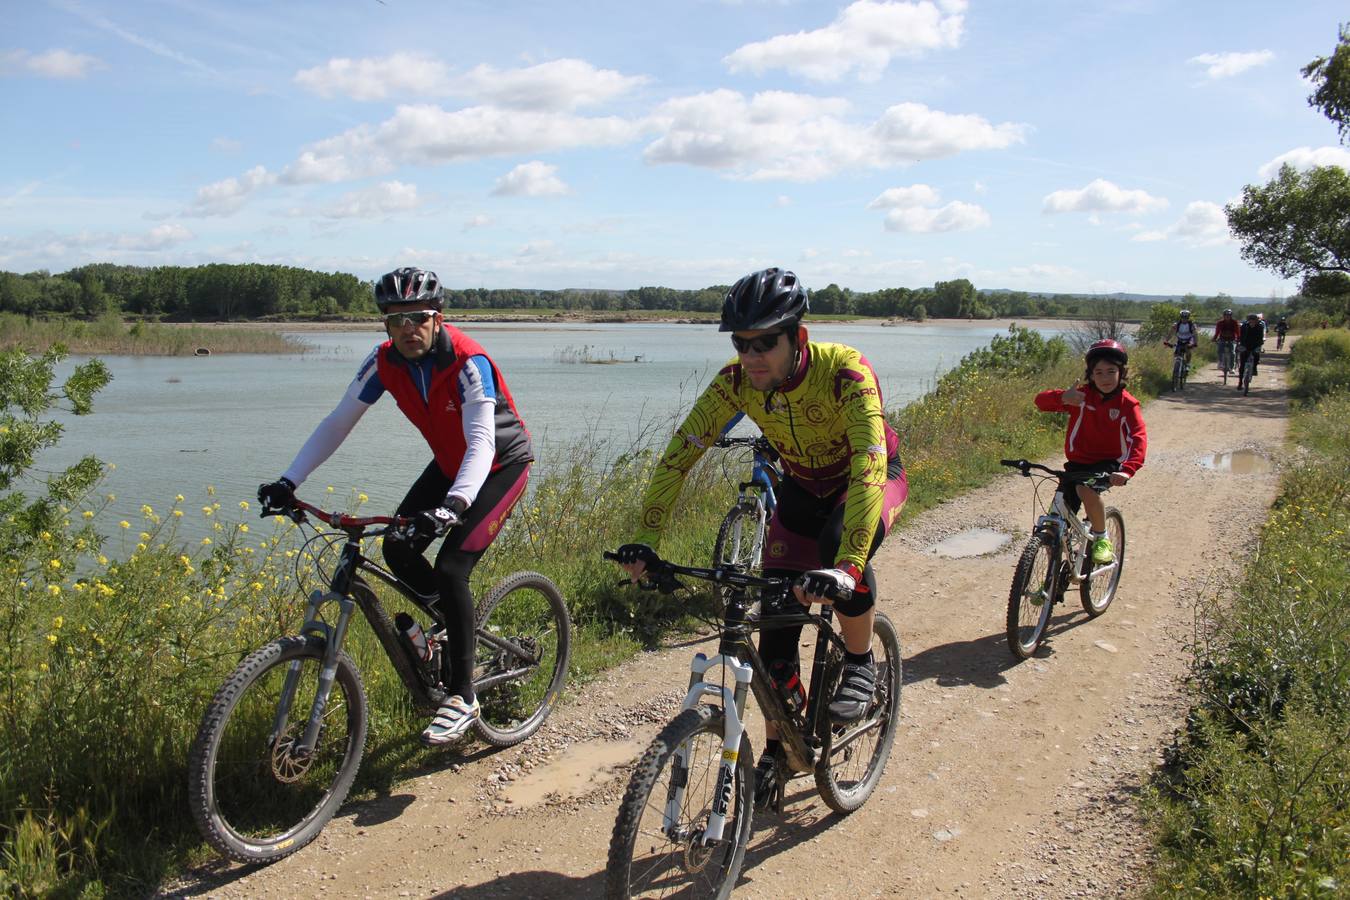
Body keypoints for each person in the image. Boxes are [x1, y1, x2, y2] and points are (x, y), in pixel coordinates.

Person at [612, 267, 907, 805]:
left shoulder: (846, 373)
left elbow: (868, 464)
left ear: (799, 337)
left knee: (840, 546)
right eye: (741, 344)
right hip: (800, 488)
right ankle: (779, 749)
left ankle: (862, 662)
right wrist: (646, 540)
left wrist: (847, 567)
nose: (751, 357)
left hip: (868, 480)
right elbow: (680, 457)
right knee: (773, 634)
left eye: (764, 343)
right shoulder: (735, 383)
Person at [257, 267, 533, 746]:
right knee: (398, 549)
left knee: (451, 568)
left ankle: (463, 696)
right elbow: (338, 422)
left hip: (499, 465)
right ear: (385, 325)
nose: (407, 329)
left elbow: (484, 442)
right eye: (395, 320)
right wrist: (288, 480)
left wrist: (453, 506)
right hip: (451, 464)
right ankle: (452, 629)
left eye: (418, 318)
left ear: (438, 319)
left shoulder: (469, 361)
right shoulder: (383, 362)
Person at [1034, 340, 1147, 565]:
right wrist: (1063, 398)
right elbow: (1040, 402)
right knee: (1053, 522)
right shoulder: (1081, 397)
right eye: (1099, 372)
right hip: (1077, 464)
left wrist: (1127, 470)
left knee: (1086, 489)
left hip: (1108, 464)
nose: (1105, 378)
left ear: (1121, 373)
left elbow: (1138, 437)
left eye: (1111, 372)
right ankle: (1054, 577)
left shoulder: (1127, 404)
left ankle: (1101, 537)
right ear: (1091, 375)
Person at [1237, 312, 1265, 386]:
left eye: (1254, 320)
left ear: (1256, 320)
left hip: (1255, 345)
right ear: (1248, 320)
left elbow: (1260, 338)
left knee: (1256, 356)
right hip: (1245, 345)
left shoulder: (1260, 327)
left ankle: (1254, 368)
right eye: (1250, 320)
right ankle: (1240, 382)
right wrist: (1240, 345)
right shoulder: (1244, 327)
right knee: (1242, 364)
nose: (1252, 322)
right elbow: (1241, 337)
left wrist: (1259, 345)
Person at [1212, 308, 1241, 372]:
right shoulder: (1220, 323)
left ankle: (1232, 367)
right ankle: (1221, 362)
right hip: (1222, 338)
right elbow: (1217, 332)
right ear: (1223, 316)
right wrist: (1214, 338)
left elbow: (1238, 332)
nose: (1227, 317)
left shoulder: (1235, 322)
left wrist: (1238, 339)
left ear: (1231, 316)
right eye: (1226, 315)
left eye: (1229, 315)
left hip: (1232, 339)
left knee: (1232, 352)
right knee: (1220, 349)